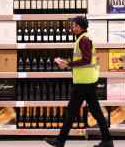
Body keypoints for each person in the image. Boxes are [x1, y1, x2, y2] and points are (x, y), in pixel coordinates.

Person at [45, 16, 113, 147]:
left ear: (81, 26)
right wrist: (67, 62)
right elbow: (84, 59)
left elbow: (86, 60)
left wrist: (68, 65)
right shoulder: (83, 39)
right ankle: (107, 141)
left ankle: (60, 141)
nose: (72, 27)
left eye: (75, 25)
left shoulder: (84, 40)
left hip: (84, 82)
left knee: (71, 112)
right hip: (87, 80)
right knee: (96, 112)